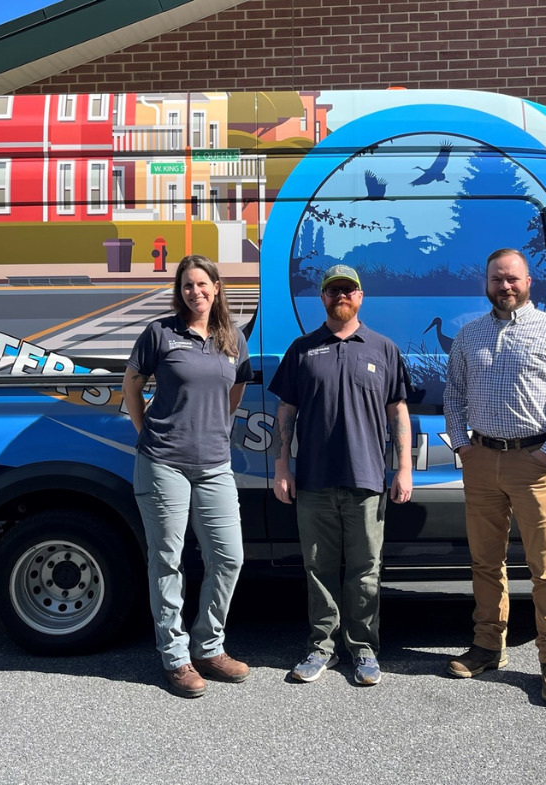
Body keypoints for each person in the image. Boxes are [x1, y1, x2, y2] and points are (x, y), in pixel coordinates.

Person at [443, 248, 546, 705]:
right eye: (496, 280)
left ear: (529, 281)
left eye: (512, 279)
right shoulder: (469, 335)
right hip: (483, 460)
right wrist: (462, 445)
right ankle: (488, 646)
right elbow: (453, 396)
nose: (504, 286)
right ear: (485, 284)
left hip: (535, 462)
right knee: (486, 562)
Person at [268, 264, 413, 686]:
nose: (341, 296)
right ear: (323, 298)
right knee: (319, 569)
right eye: (333, 291)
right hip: (312, 481)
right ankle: (322, 647)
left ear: (360, 297)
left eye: (348, 290)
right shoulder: (302, 349)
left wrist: (403, 469)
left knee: (365, 569)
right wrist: (282, 466)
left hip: (367, 480)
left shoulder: (383, 349)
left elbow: (397, 412)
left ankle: (363, 648)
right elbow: (286, 411)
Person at [123, 255, 253, 699]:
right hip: (164, 463)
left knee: (229, 556)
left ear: (217, 287)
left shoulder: (231, 338)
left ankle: (210, 646)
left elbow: (237, 386)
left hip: (215, 464)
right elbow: (131, 384)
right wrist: (146, 433)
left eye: (201, 284)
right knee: (168, 560)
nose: (194, 292)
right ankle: (176, 657)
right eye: (186, 286)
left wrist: (218, 422)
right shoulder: (160, 333)